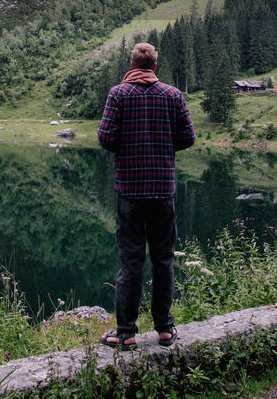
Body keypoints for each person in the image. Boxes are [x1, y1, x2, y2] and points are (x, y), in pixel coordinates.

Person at [96, 41, 196, 350]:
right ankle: (165, 329)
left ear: (133, 64)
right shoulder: (172, 95)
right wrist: (163, 149)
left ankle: (125, 333)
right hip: (163, 190)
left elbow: (105, 138)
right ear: (154, 66)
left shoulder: (118, 94)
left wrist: (128, 147)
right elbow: (188, 137)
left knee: (131, 262)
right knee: (163, 259)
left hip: (130, 191)